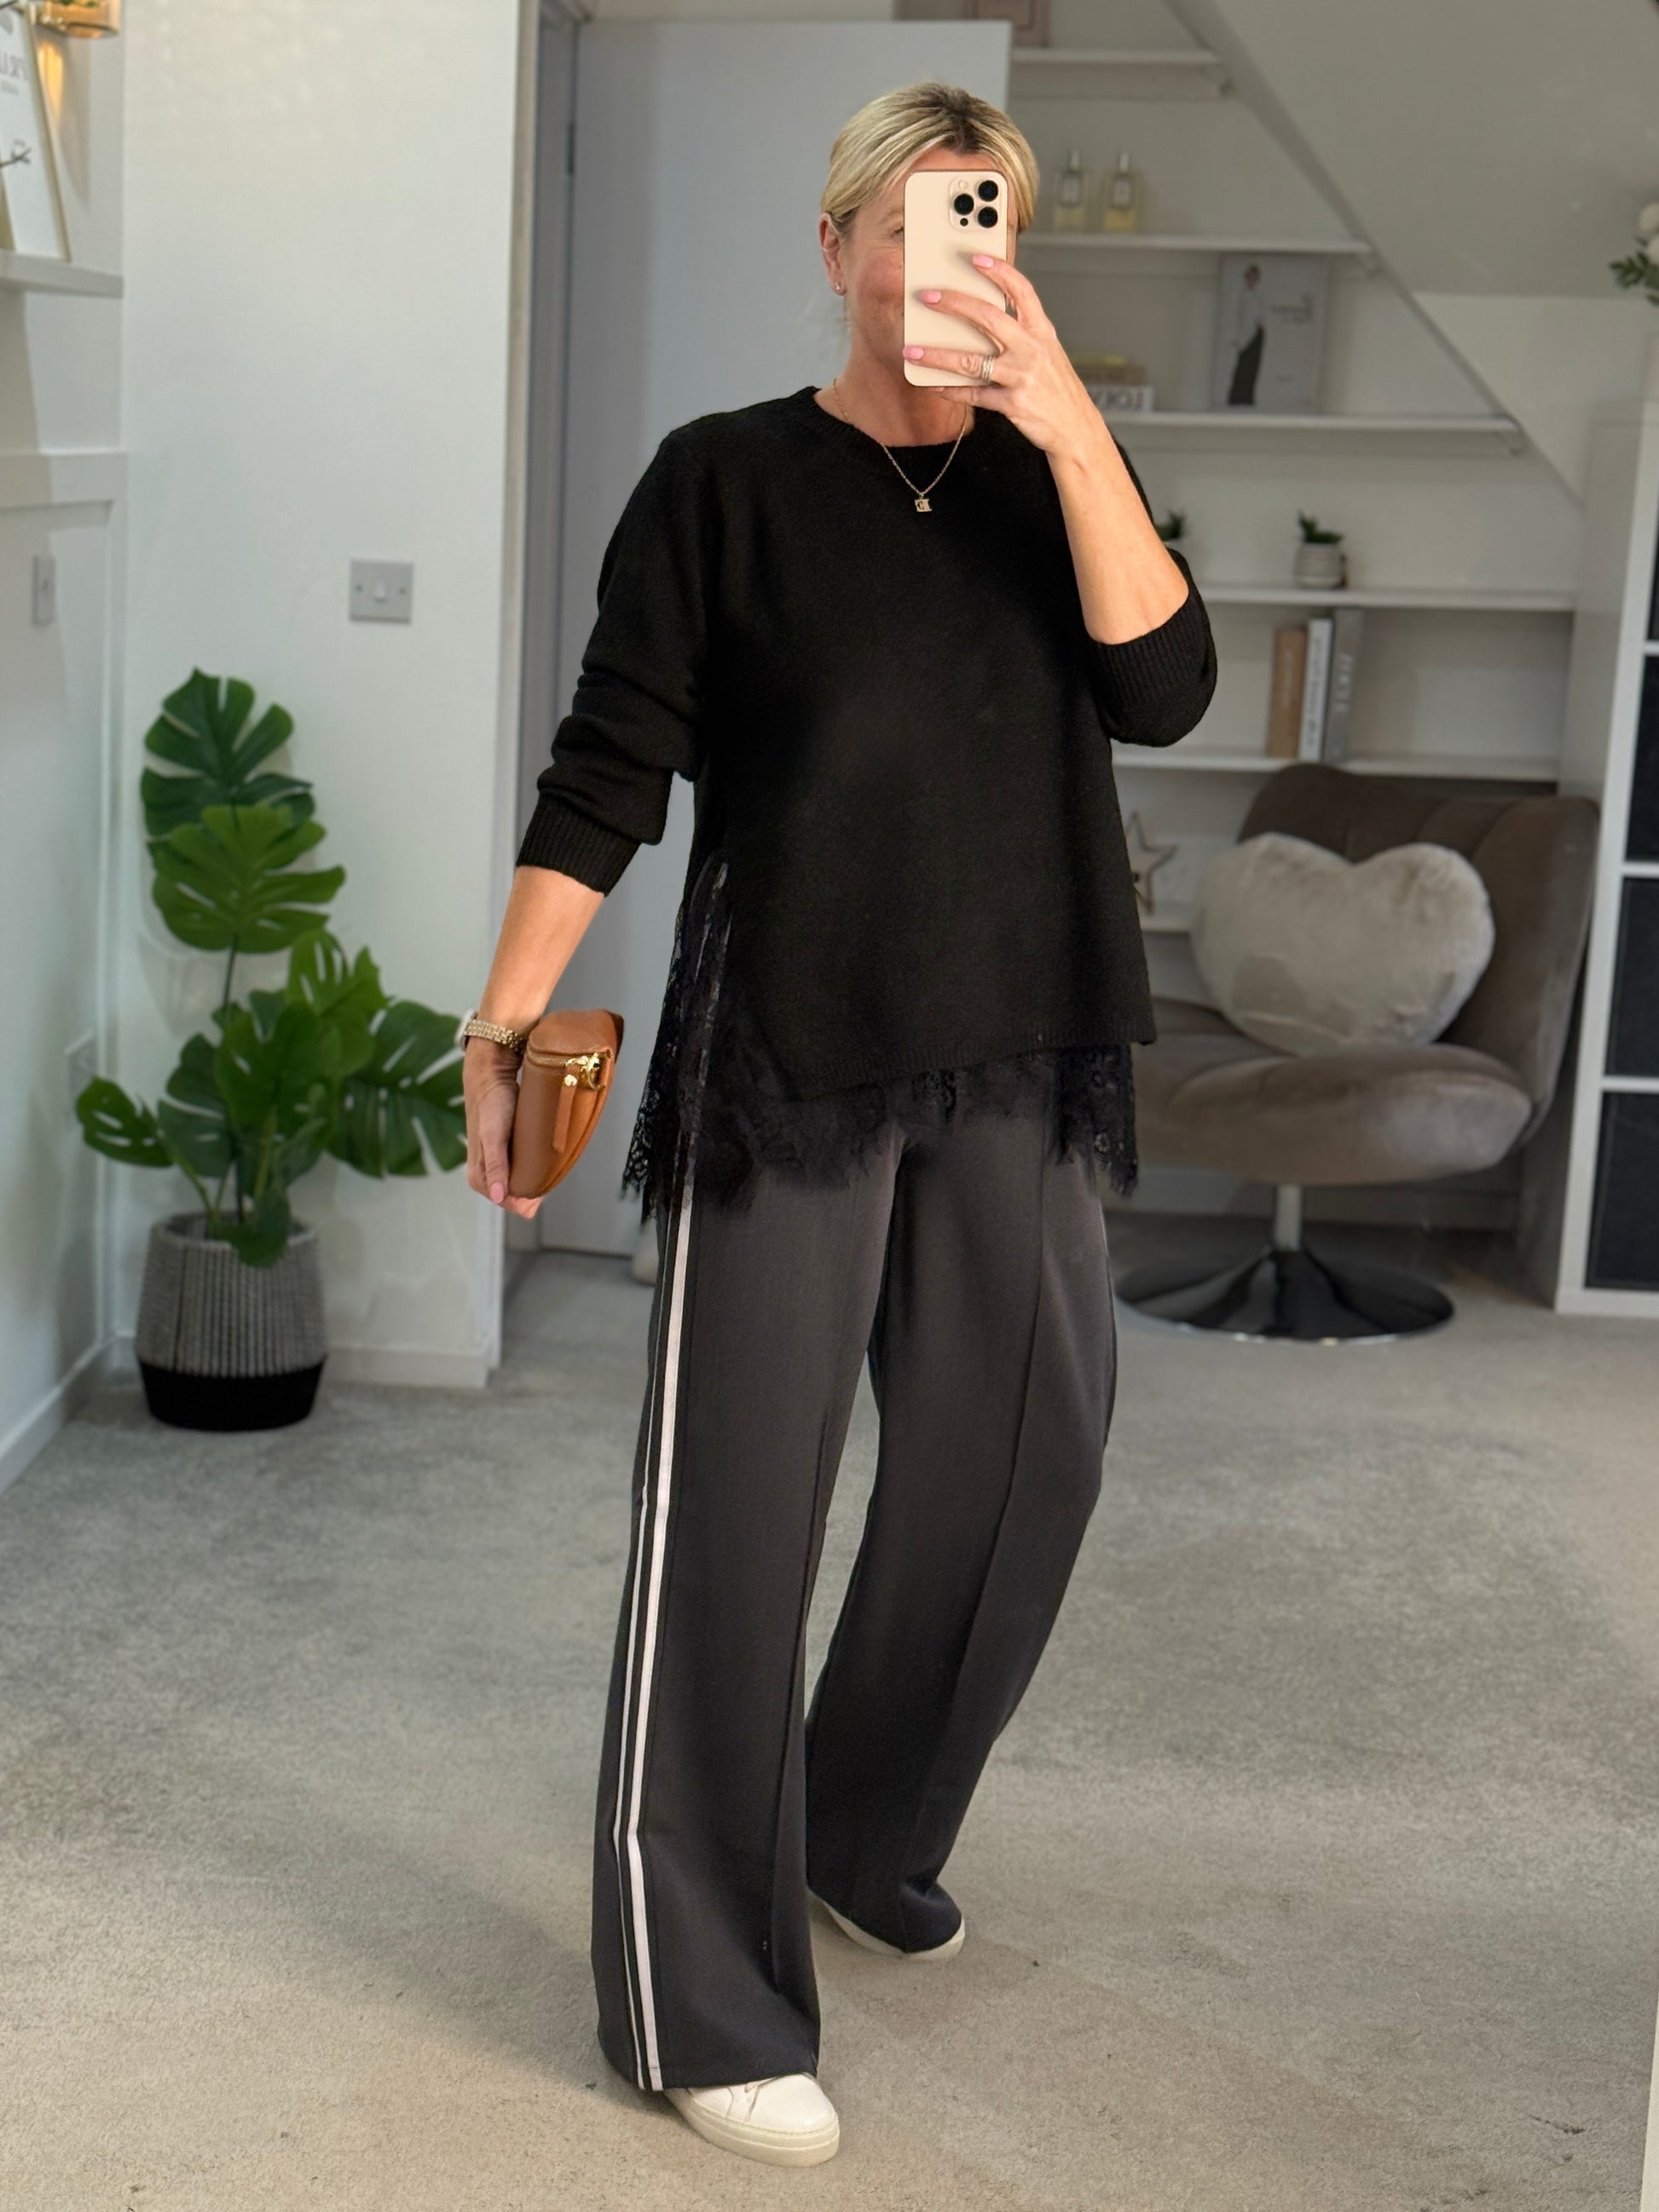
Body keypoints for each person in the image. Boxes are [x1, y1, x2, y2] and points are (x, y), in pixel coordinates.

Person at [460, 80, 1217, 2169]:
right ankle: (694, 1995)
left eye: (976, 224)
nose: (935, 262)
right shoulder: (723, 481)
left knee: (1020, 1473)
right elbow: (608, 767)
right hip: (787, 1055)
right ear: (834, 247)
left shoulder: (1060, 474)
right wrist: (505, 1023)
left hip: (1025, 1046)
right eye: (900, 223)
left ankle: (860, 1830)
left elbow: (1165, 692)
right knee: (736, 1518)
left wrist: (1071, 426)